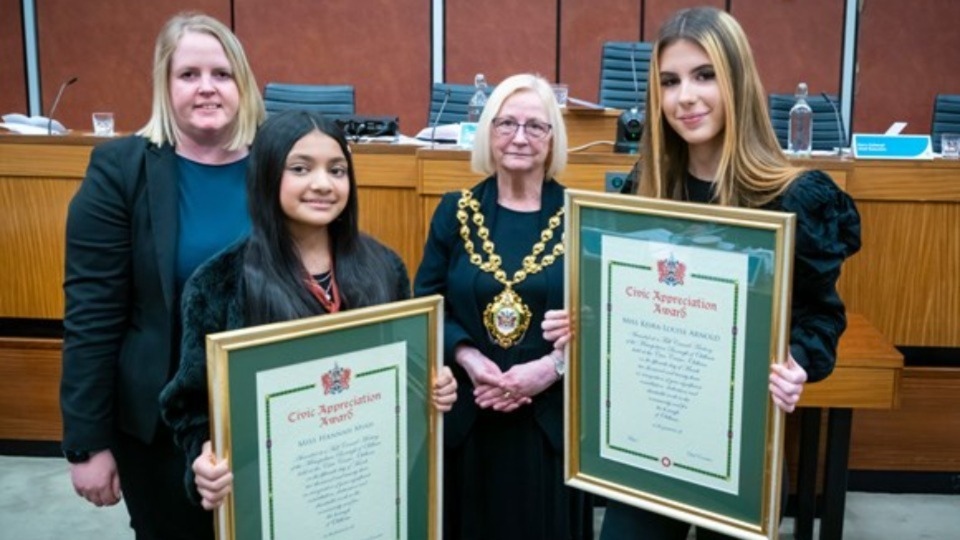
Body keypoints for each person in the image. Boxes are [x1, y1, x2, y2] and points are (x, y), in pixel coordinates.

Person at [565, 7, 860, 539]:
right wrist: (583, 326)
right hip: (648, 440)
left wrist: (798, 362)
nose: (686, 97)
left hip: (739, 446)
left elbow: (822, 317)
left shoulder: (794, 198)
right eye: (670, 82)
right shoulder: (646, 192)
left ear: (737, 81)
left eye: (705, 76)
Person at [158, 109, 458, 510]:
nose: (323, 184)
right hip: (274, 498)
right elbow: (190, 407)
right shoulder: (218, 284)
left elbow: (407, 373)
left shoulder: (385, 268)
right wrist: (204, 458)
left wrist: (434, 387)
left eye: (337, 170)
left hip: (370, 487)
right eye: (300, 168)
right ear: (266, 176)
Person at [60, 12, 264, 540]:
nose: (206, 88)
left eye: (221, 74)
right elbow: (92, 315)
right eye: (188, 75)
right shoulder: (120, 170)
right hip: (160, 433)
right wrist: (87, 443)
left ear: (242, 82)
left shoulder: (280, 162)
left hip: (269, 416)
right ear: (164, 85)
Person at [414, 73, 592, 540]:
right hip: (471, 418)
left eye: (536, 126)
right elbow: (426, 305)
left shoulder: (581, 217)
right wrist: (469, 359)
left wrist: (553, 367)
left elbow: (605, 321)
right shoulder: (455, 212)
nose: (519, 137)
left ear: (553, 139)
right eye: (506, 123)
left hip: (547, 427)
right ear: (487, 132)